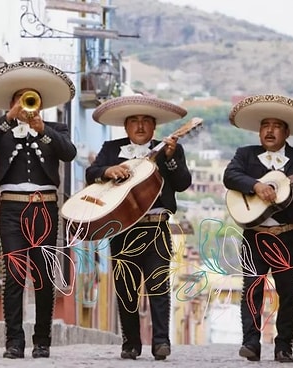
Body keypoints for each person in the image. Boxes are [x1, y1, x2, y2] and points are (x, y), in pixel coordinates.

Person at [0, 61, 77, 359]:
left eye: (30, 99)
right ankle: (14, 342)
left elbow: (68, 153)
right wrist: (9, 117)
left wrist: (42, 129)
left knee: (44, 276)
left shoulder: (55, 129)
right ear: (11, 104)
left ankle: (42, 340)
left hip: (44, 207)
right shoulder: (3, 130)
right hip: (11, 210)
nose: (26, 105)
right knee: (15, 275)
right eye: (20, 100)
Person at [84, 95, 191, 360]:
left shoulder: (170, 149)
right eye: (134, 121)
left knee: (158, 285)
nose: (140, 126)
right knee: (125, 286)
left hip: (156, 227)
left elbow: (182, 183)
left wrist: (171, 158)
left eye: (146, 121)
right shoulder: (111, 148)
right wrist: (108, 171)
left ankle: (161, 342)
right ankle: (130, 343)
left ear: (154, 126)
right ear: (126, 126)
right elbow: (91, 173)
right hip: (122, 228)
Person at [223, 94, 293, 363]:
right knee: (252, 288)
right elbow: (229, 176)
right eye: (265, 125)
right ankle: (251, 343)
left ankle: (283, 346)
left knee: (288, 293)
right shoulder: (245, 155)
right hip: (254, 234)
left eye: (276, 126)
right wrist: (255, 186)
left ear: (286, 132)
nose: (269, 130)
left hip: (287, 235)